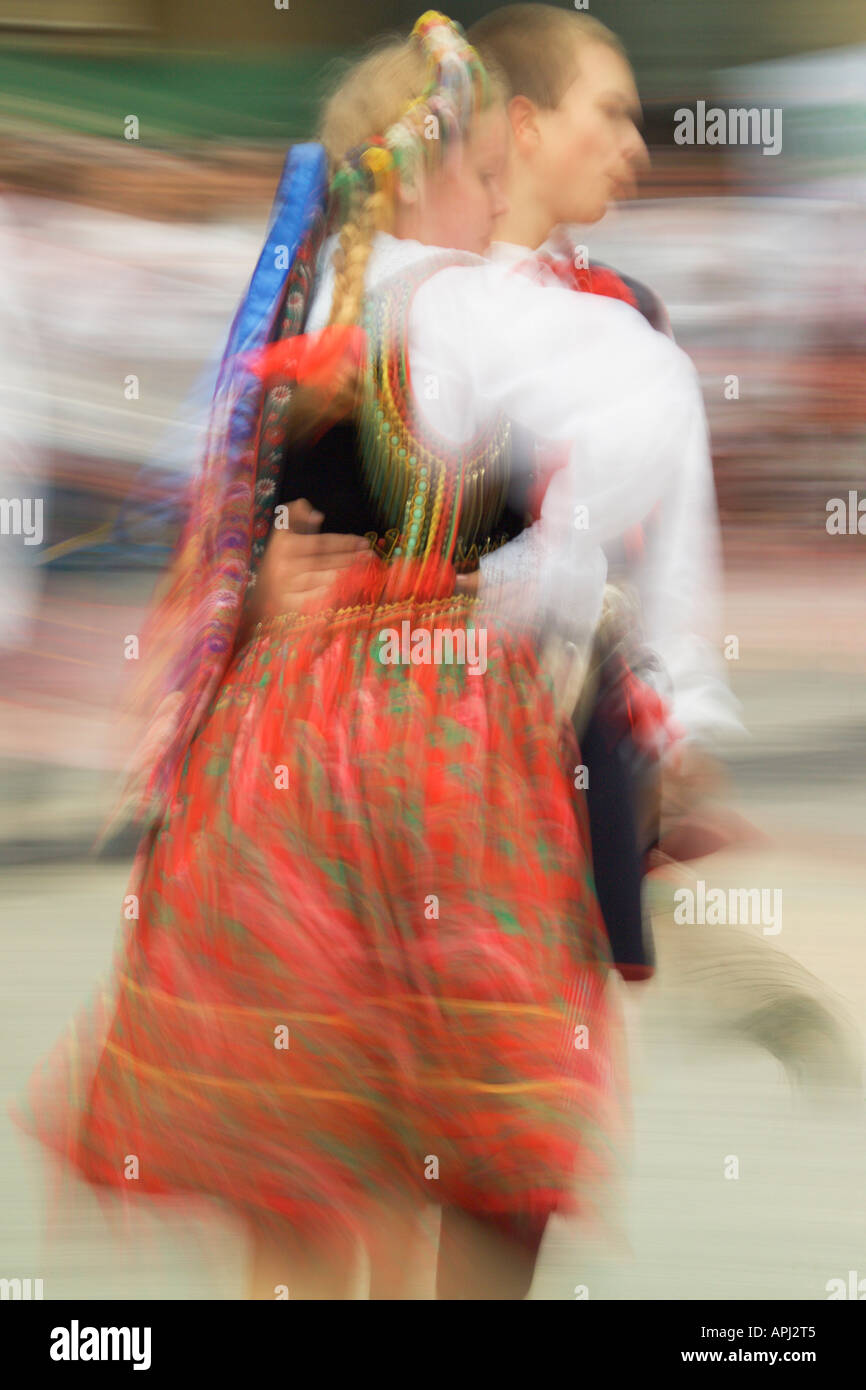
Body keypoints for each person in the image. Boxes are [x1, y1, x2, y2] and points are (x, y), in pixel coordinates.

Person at [13, 12, 715, 1300]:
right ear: (432, 169)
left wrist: (652, 730)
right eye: (489, 170)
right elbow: (222, 531)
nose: (507, 194)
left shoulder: (540, 319)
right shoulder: (335, 335)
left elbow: (603, 543)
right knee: (361, 1145)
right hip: (377, 762)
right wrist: (267, 582)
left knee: (404, 1147)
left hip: (404, 760)